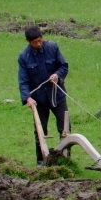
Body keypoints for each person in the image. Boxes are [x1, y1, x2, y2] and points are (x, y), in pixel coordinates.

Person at [18, 26, 69, 166]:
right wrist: (27, 98)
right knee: (40, 131)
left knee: (65, 129)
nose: (38, 44)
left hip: (57, 95)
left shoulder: (53, 47)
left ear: (42, 38)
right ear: (28, 41)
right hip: (38, 99)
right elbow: (23, 81)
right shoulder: (24, 57)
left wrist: (57, 75)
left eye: (40, 41)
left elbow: (63, 66)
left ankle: (65, 159)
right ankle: (41, 161)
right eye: (35, 42)